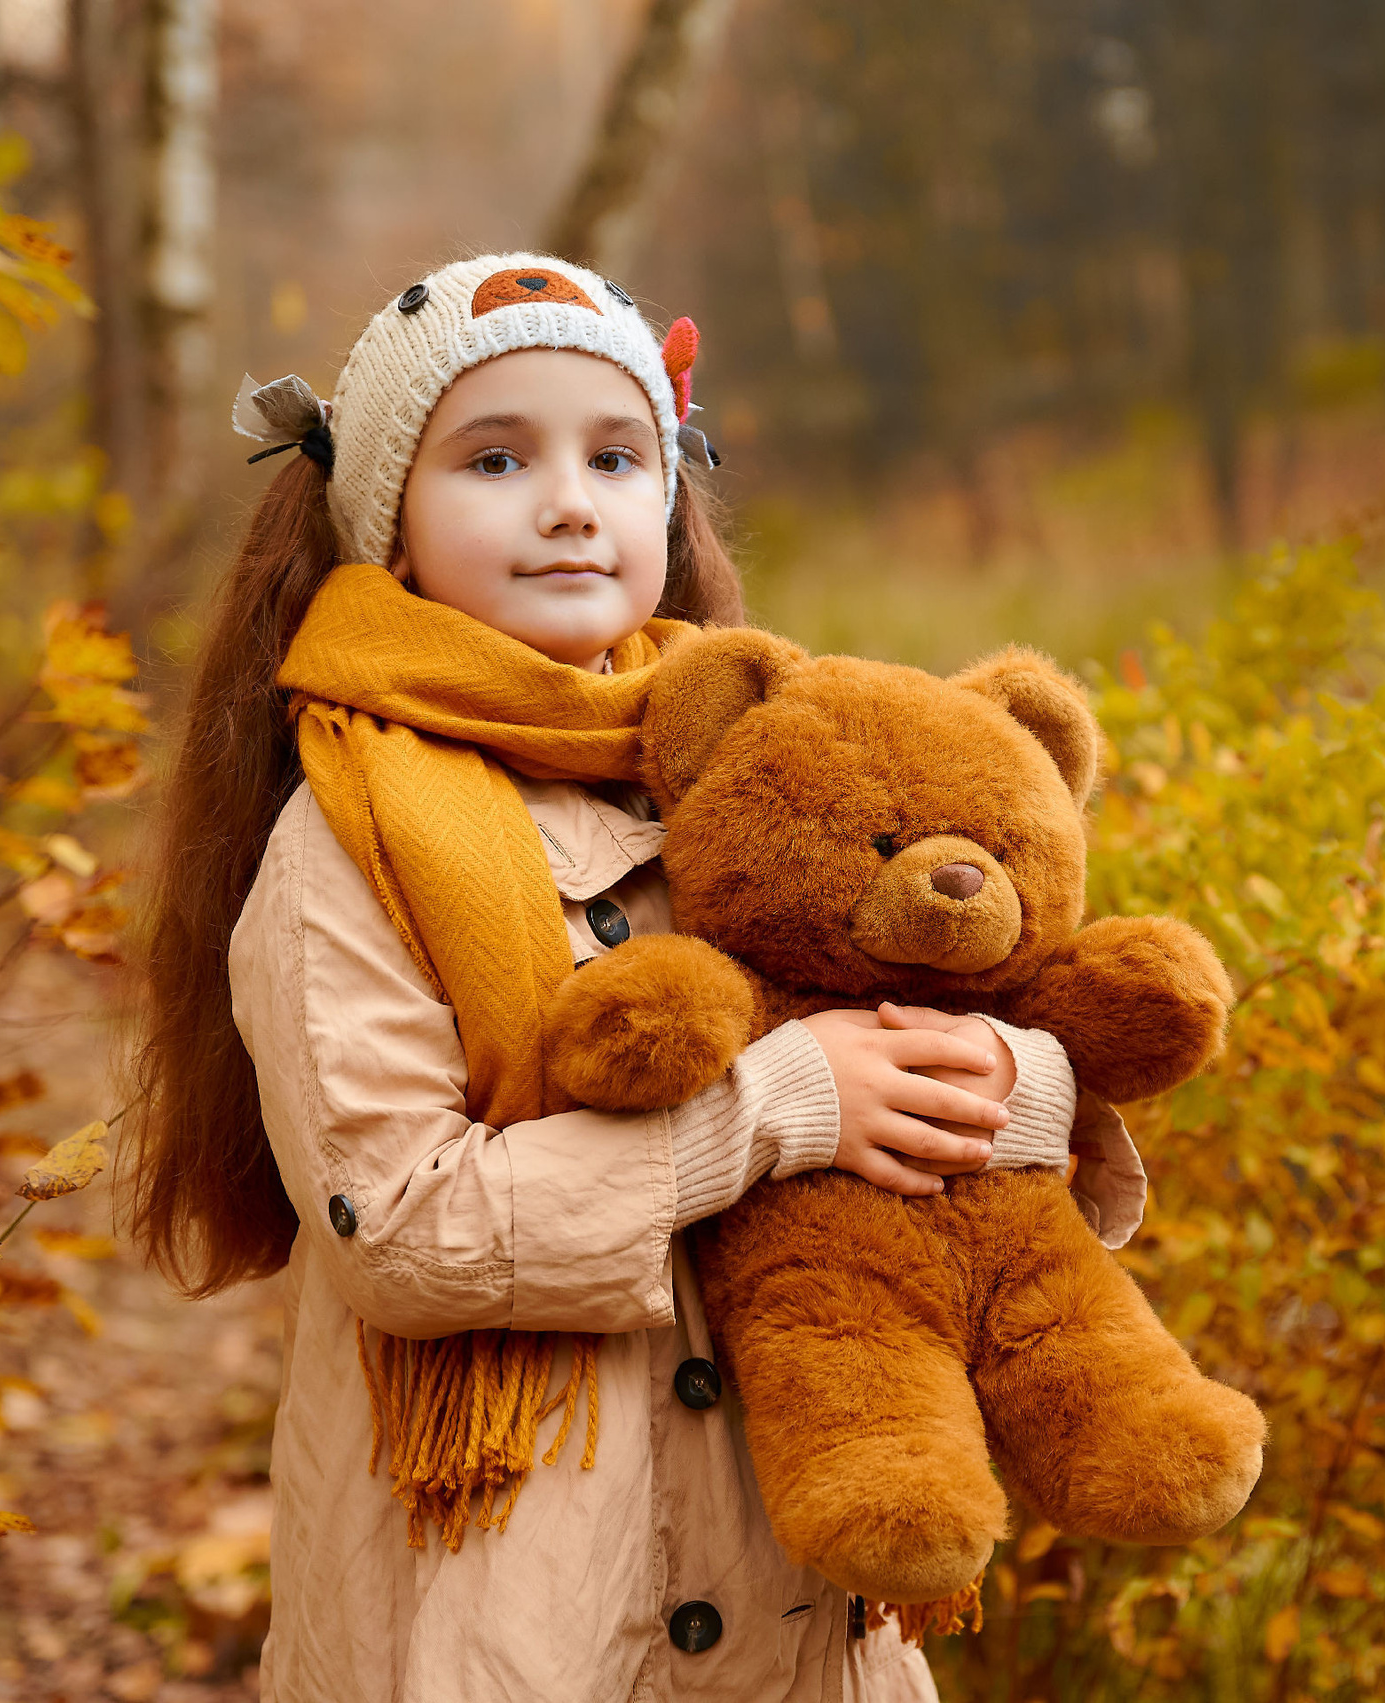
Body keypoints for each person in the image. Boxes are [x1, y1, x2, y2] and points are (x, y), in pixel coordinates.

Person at [123, 253, 1114, 1702]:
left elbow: (958, 994)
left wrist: (1020, 1089)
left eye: (616, 453)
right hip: (518, 1600)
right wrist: (770, 1112)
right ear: (382, 519)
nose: (571, 499)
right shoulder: (348, 842)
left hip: (793, 1606)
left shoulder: (772, 767)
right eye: (497, 457)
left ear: (669, 494)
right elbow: (401, 1231)